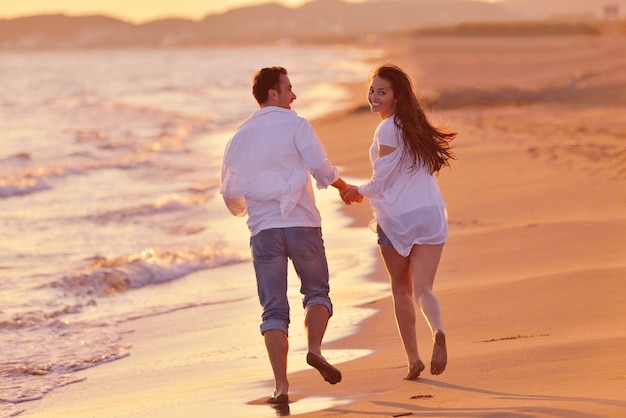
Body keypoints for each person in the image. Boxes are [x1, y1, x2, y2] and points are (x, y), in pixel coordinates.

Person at [220, 66, 353, 404]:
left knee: (273, 310)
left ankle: (281, 386)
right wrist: (342, 187)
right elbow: (320, 167)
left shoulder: (239, 136)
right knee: (317, 293)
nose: (295, 95)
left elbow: (230, 192)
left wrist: (252, 211)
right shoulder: (296, 125)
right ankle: (314, 350)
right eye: (289, 88)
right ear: (273, 94)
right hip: (302, 223)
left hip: (264, 231)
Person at [343, 64, 457, 380]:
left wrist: (356, 191)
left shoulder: (387, 129)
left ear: (396, 96)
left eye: (382, 92)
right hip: (430, 213)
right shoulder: (415, 125)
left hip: (397, 218)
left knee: (401, 289)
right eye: (372, 90)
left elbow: (381, 180)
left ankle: (413, 360)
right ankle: (438, 330)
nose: (375, 97)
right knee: (424, 290)